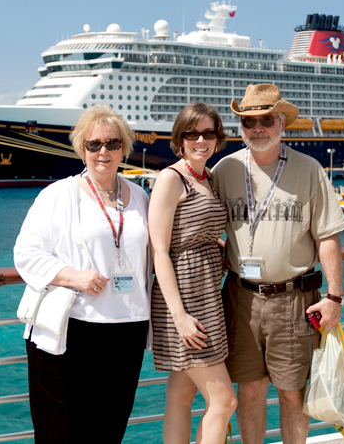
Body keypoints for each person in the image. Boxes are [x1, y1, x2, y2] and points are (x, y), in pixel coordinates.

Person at [212, 83, 344, 444]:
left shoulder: (308, 168)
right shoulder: (225, 169)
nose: (257, 128)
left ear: (281, 123)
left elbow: (328, 237)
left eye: (266, 120)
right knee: (251, 391)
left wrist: (335, 298)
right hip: (240, 298)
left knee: (292, 392)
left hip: (294, 301)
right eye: (248, 122)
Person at [14, 105, 151, 444]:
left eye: (112, 143)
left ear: (124, 148)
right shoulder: (59, 195)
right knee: (59, 432)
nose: (103, 151)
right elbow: (26, 253)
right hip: (72, 330)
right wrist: (73, 276)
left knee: (109, 430)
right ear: (81, 148)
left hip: (127, 329)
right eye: (94, 144)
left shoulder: (141, 198)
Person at [150, 102, 237, 443]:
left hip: (207, 293)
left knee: (181, 395)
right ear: (180, 139)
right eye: (192, 133)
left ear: (217, 138)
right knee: (224, 400)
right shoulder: (171, 179)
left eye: (208, 133)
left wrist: (218, 248)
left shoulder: (209, 178)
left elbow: (196, 232)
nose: (201, 140)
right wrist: (179, 316)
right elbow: (160, 250)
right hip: (183, 299)